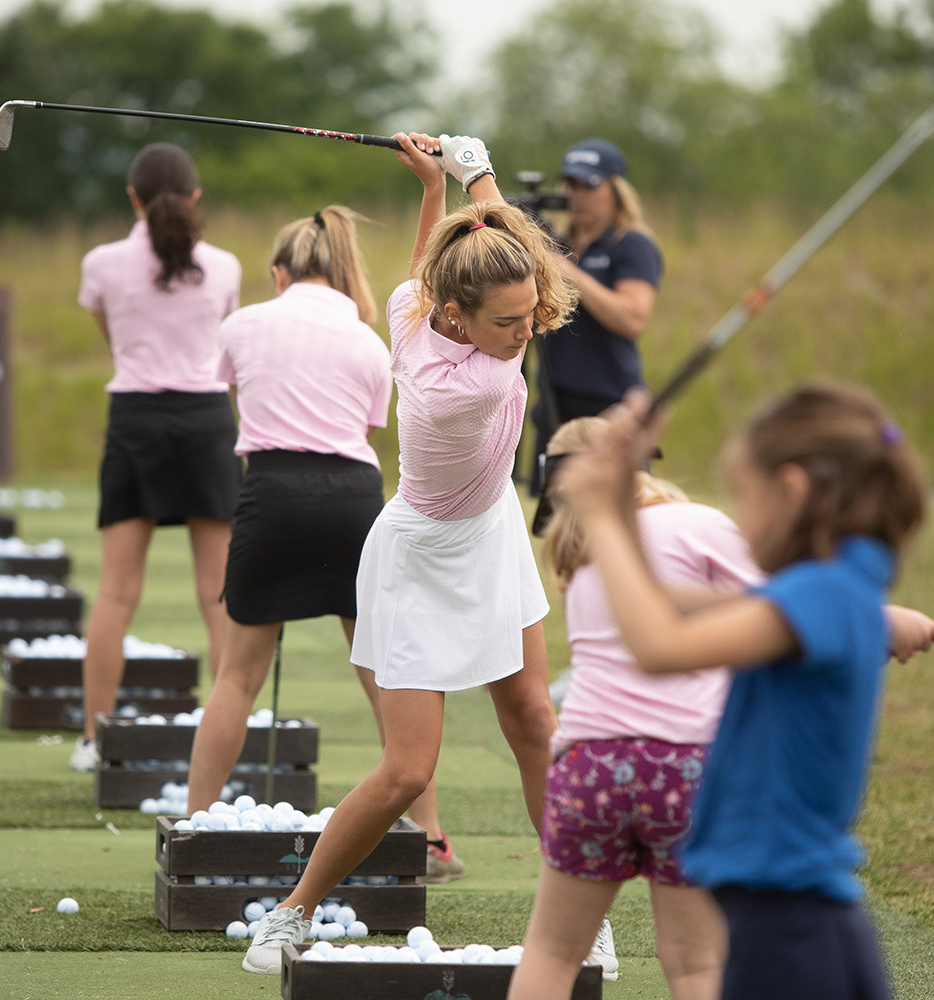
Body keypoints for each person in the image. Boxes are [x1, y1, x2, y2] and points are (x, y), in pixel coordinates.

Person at [239, 131, 578, 975]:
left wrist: (435, 185)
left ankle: (577, 913)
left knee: (535, 722)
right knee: (405, 769)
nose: (525, 328)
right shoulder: (469, 383)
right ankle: (290, 914)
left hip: (491, 529)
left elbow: (438, 268)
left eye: (529, 313)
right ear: (458, 319)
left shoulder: (411, 305)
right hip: (420, 555)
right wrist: (477, 173)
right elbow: (514, 243)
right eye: (509, 321)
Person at [557, 382, 934, 1000]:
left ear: (791, 493)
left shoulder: (819, 594)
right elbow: (668, 601)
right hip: (805, 916)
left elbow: (659, 645)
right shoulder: (837, 588)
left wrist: (601, 513)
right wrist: (626, 482)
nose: (738, 517)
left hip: (785, 925)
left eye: (744, 497)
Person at [184, 206, 459, 880]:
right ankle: (430, 838)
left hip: (270, 493)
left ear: (279, 273)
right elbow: (366, 429)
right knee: (385, 676)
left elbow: (227, 392)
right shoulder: (369, 338)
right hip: (352, 501)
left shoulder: (242, 323)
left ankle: (194, 832)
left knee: (236, 676)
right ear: (341, 271)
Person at [509, 416, 762, 998]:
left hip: (586, 770)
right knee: (698, 965)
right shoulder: (699, 523)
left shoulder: (577, 550)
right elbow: (779, 607)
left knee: (551, 953)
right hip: (687, 769)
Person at [70, 142, 241, 772]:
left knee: (116, 592)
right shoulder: (223, 265)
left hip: (136, 419)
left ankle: (93, 739)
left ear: (133, 197)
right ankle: (230, 737)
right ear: (195, 198)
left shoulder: (101, 262)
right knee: (218, 594)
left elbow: (112, 336)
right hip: (204, 422)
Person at [530, 138, 663, 497]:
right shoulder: (557, 245)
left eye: (589, 185)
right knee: (553, 515)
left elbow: (632, 318)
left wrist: (567, 271)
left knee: (614, 510)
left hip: (609, 401)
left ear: (616, 190)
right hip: (556, 399)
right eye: (571, 185)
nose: (579, 196)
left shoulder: (631, 245)